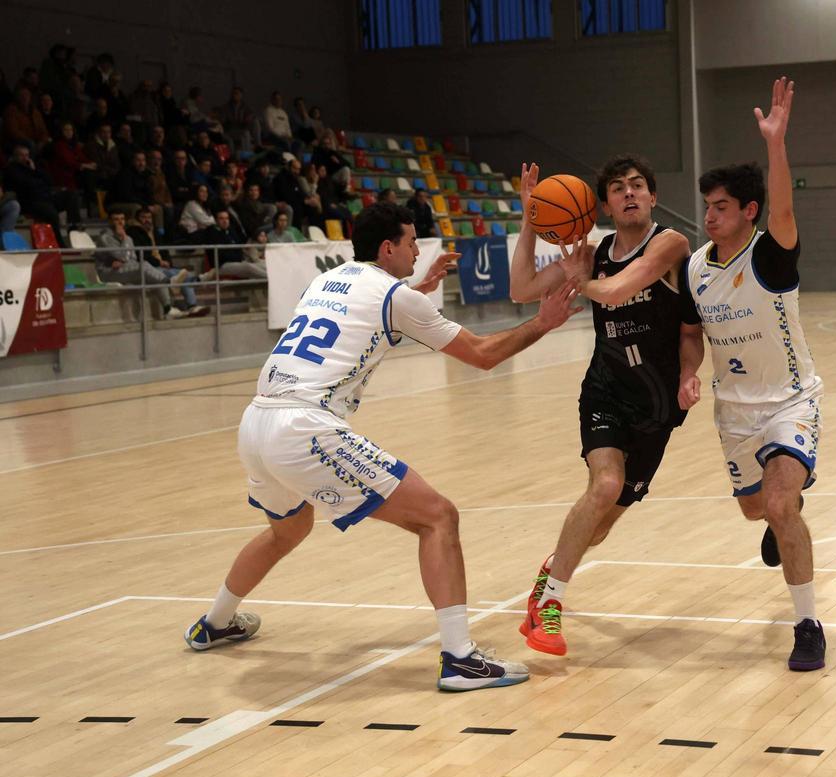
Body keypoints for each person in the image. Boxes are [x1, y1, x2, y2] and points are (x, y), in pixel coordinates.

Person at [184, 202, 583, 692]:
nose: (419, 250)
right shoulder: (396, 296)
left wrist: (417, 292)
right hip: (305, 426)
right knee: (438, 517)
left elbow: (363, 314)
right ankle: (459, 659)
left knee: (287, 530)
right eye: (413, 242)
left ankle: (215, 622)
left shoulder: (329, 280)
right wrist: (543, 322)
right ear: (388, 247)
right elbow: (481, 355)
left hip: (256, 421)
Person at [509, 155, 691, 656]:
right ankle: (550, 608)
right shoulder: (591, 250)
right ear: (604, 204)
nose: (628, 193)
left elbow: (615, 292)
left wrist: (579, 280)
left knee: (604, 520)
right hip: (606, 389)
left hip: (657, 405)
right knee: (604, 484)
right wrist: (530, 218)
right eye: (617, 188)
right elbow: (520, 288)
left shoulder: (670, 244)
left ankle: (550, 569)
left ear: (653, 196)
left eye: (637, 185)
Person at [676, 78, 826, 671]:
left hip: (790, 401)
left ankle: (808, 624)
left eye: (721, 207)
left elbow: (785, 206)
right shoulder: (693, 268)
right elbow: (690, 333)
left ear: (749, 212)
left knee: (783, 504)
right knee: (758, 510)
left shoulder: (770, 253)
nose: (710, 216)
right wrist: (689, 372)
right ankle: (776, 519)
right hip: (733, 410)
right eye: (706, 206)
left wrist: (777, 146)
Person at [95, 210, 190, 319]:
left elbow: (132, 258)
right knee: (144, 265)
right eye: (116, 219)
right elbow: (124, 257)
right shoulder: (105, 238)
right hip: (108, 272)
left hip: (125, 269)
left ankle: (168, 309)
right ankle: (170, 282)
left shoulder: (128, 238)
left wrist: (124, 254)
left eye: (122, 219)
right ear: (110, 222)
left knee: (155, 277)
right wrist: (124, 243)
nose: (120, 222)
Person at [128, 205, 206, 316]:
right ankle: (191, 285)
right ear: (137, 219)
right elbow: (141, 255)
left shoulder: (155, 233)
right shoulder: (134, 233)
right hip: (148, 267)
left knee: (183, 273)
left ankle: (192, 306)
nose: (147, 220)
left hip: (162, 266)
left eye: (149, 217)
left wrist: (168, 263)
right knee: (178, 274)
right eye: (143, 217)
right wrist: (159, 262)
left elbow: (165, 252)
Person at [3, 141, 81, 247]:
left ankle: (74, 227)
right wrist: (36, 178)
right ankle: (59, 243)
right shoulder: (11, 169)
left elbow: (49, 181)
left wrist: (34, 170)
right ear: (15, 156)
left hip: (46, 197)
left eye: (26, 155)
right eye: (21, 155)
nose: (25, 158)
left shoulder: (32, 168)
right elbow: (26, 185)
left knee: (71, 195)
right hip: (29, 202)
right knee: (51, 213)